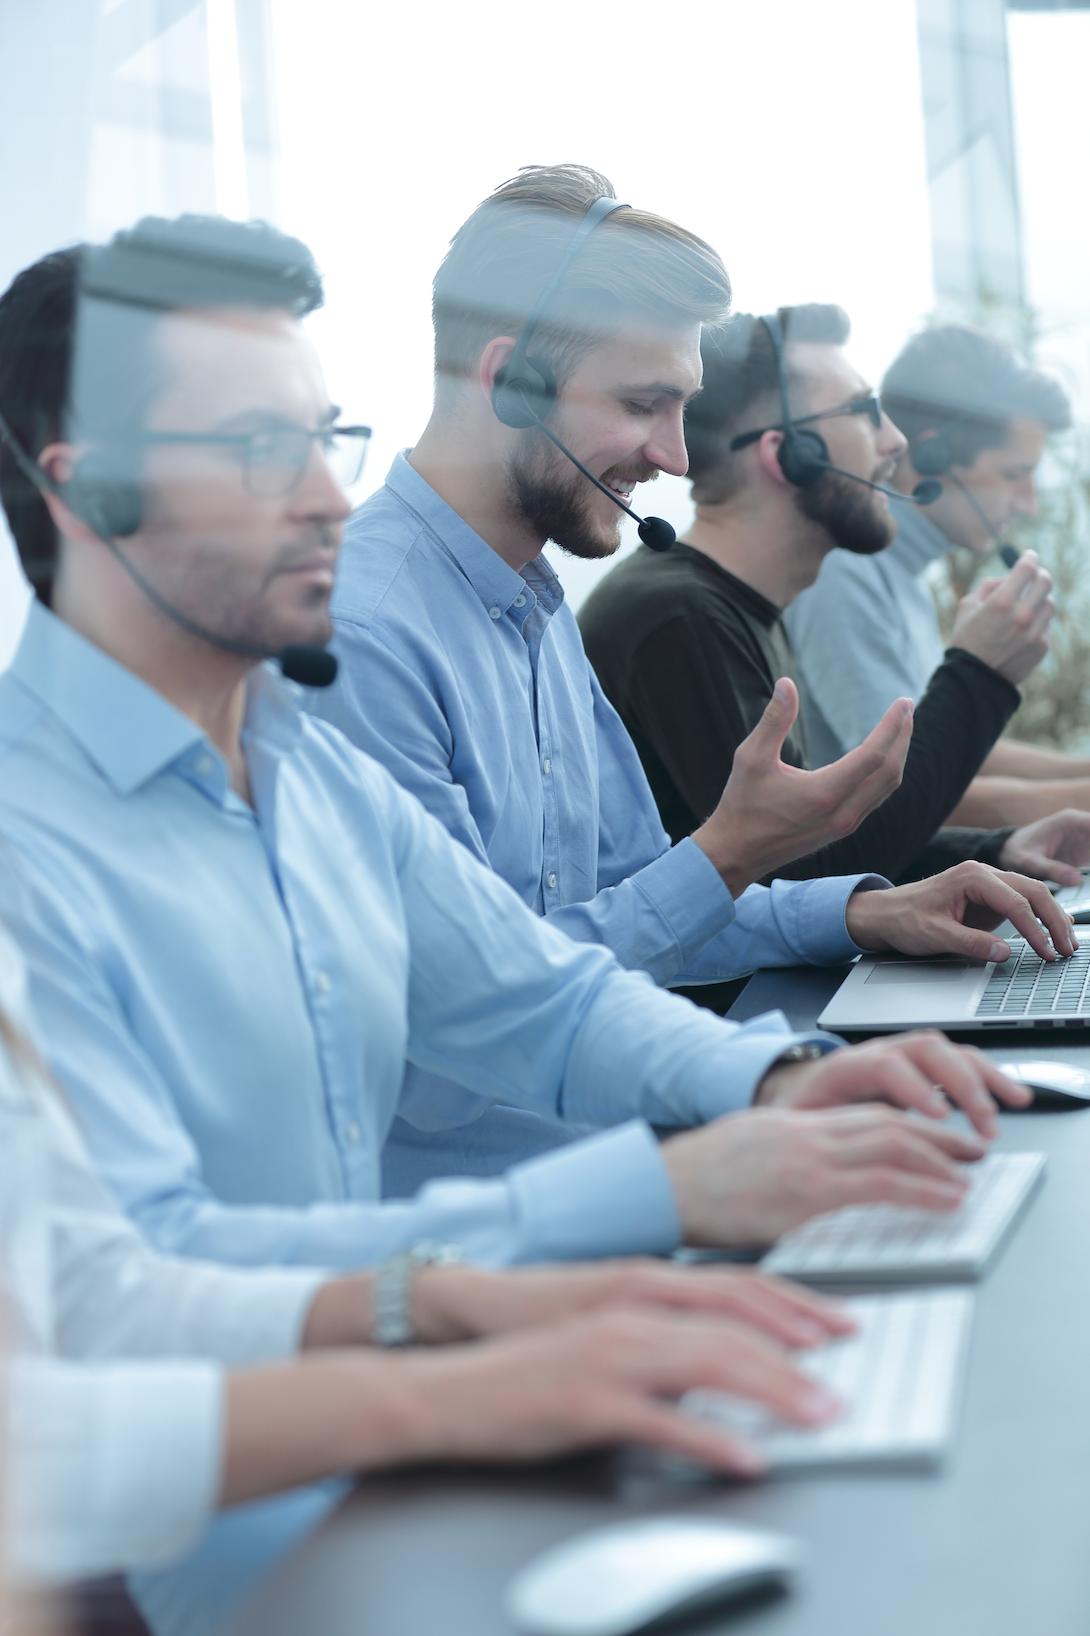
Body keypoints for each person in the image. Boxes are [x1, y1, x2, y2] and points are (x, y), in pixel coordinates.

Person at [0, 214, 1051, 1294]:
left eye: (324, 442)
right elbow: (143, 1279)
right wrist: (665, 1185)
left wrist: (784, 1076)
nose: (325, 499)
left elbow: (540, 991)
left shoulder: (309, 769)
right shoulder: (39, 846)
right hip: (411, 1325)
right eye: (266, 451)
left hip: (443, 1310)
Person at [312, 166, 1068, 1189]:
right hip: (507, 1216)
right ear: (510, 380)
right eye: (643, 404)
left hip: (623, 1158)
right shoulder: (364, 634)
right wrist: (730, 863)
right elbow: (474, 1013)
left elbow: (625, 898)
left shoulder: (531, 603)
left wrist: (859, 910)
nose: (674, 454)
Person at [0, 923, 852, 1635]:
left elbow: (92, 1287)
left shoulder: (317, 769)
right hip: (183, 1501)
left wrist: (455, 1301)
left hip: (273, 1420)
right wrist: (440, 1395)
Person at [578, 306, 1090, 890]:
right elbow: (803, 878)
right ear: (791, 454)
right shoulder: (680, 620)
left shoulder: (738, 608)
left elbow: (814, 846)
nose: (894, 442)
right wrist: (979, 675)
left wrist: (999, 848)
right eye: (865, 414)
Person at [785, 324, 1090, 826]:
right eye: (1016, 474)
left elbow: (956, 750)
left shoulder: (903, 576)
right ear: (934, 457)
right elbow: (898, 786)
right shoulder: (846, 573)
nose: (1030, 504)